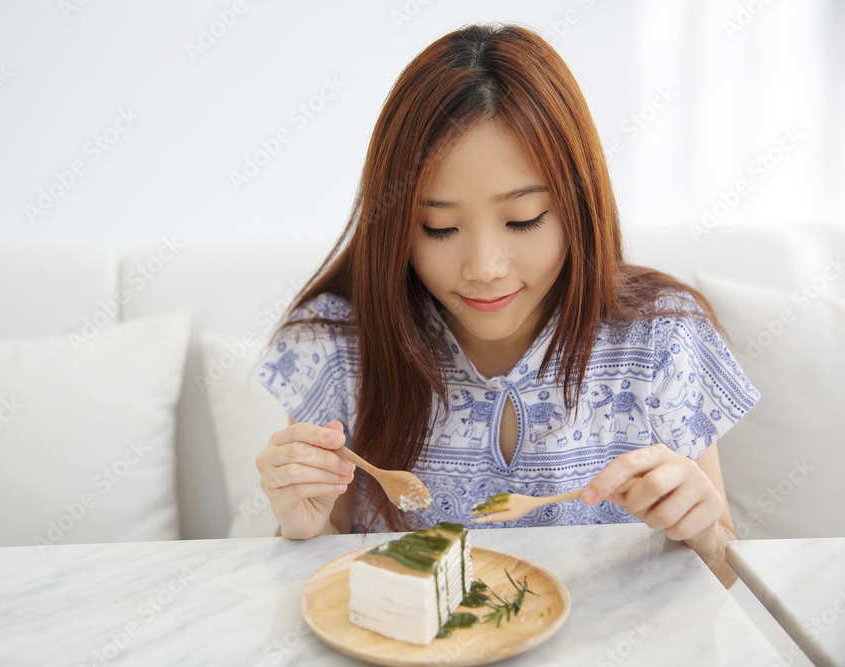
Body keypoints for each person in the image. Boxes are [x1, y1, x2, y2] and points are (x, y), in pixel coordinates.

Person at [252, 23, 758, 587]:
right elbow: (322, 595)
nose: (485, 267)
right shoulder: (337, 348)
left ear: (579, 204)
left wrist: (702, 529)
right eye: (438, 227)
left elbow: (731, 587)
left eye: (523, 220)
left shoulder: (661, 339)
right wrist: (301, 529)